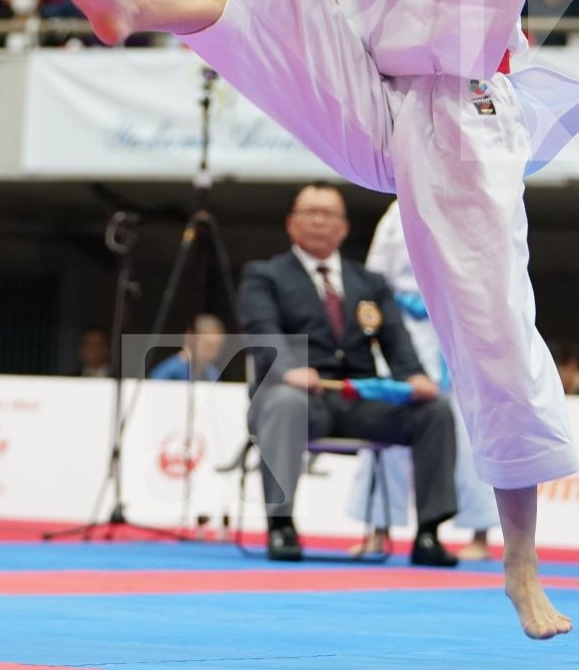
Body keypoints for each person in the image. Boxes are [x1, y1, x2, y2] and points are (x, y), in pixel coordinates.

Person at [55, 0, 579, 639]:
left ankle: (522, 569)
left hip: (463, 113)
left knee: (492, 339)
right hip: (370, 91)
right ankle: (128, 3)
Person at [239, 186, 459, 567]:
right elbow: (262, 331)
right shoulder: (265, 275)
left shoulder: (369, 283)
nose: (319, 221)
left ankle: (428, 533)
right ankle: (281, 523)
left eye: (329, 214)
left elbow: (395, 339)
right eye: (310, 212)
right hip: (296, 398)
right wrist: (289, 368)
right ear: (291, 224)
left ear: (344, 228)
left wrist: (415, 377)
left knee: (434, 411)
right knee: (287, 403)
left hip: (357, 400)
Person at [344, 200, 500, 562]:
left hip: (458, 323)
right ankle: (378, 531)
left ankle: (480, 533)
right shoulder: (398, 209)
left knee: (467, 431)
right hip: (401, 327)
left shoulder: (476, 201)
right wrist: (371, 328)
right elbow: (374, 277)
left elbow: (491, 271)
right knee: (387, 426)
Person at [148, 314, 227, 382]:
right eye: (208, 346)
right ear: (190, 338)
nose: (214, 354)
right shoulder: (167, 374)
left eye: (218, 348)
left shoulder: (212, 374)